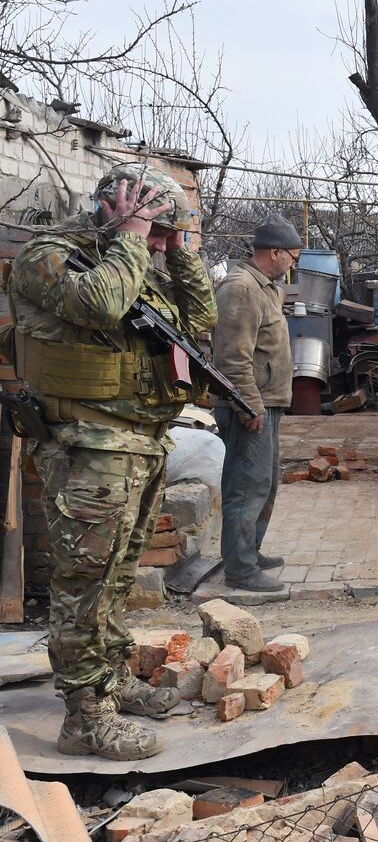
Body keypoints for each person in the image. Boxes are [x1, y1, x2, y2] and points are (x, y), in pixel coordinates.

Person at [8, 162, 215, 760]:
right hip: (87, 448)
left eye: (161, 236)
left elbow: (197, 321)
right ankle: (84, 716)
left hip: (137, 443)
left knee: (118, 580)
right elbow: (97, 307)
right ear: (113, 209)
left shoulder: (134, 265)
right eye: (154, 231)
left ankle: (112, 679)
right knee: (83, 586)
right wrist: (130, 237)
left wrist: (176, 251)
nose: (154, 245)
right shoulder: (49, 257)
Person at [212, 217, 299, 594]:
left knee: (265, 482)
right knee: (246, 486)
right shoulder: (241, 289)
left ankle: (251, 551)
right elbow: (232, 357)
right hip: (249, 406)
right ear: (275, 252)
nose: (293, 264)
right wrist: (248, 404)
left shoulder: (269, 289)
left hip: (268, 402)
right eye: (292, 257)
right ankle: (241, 569)